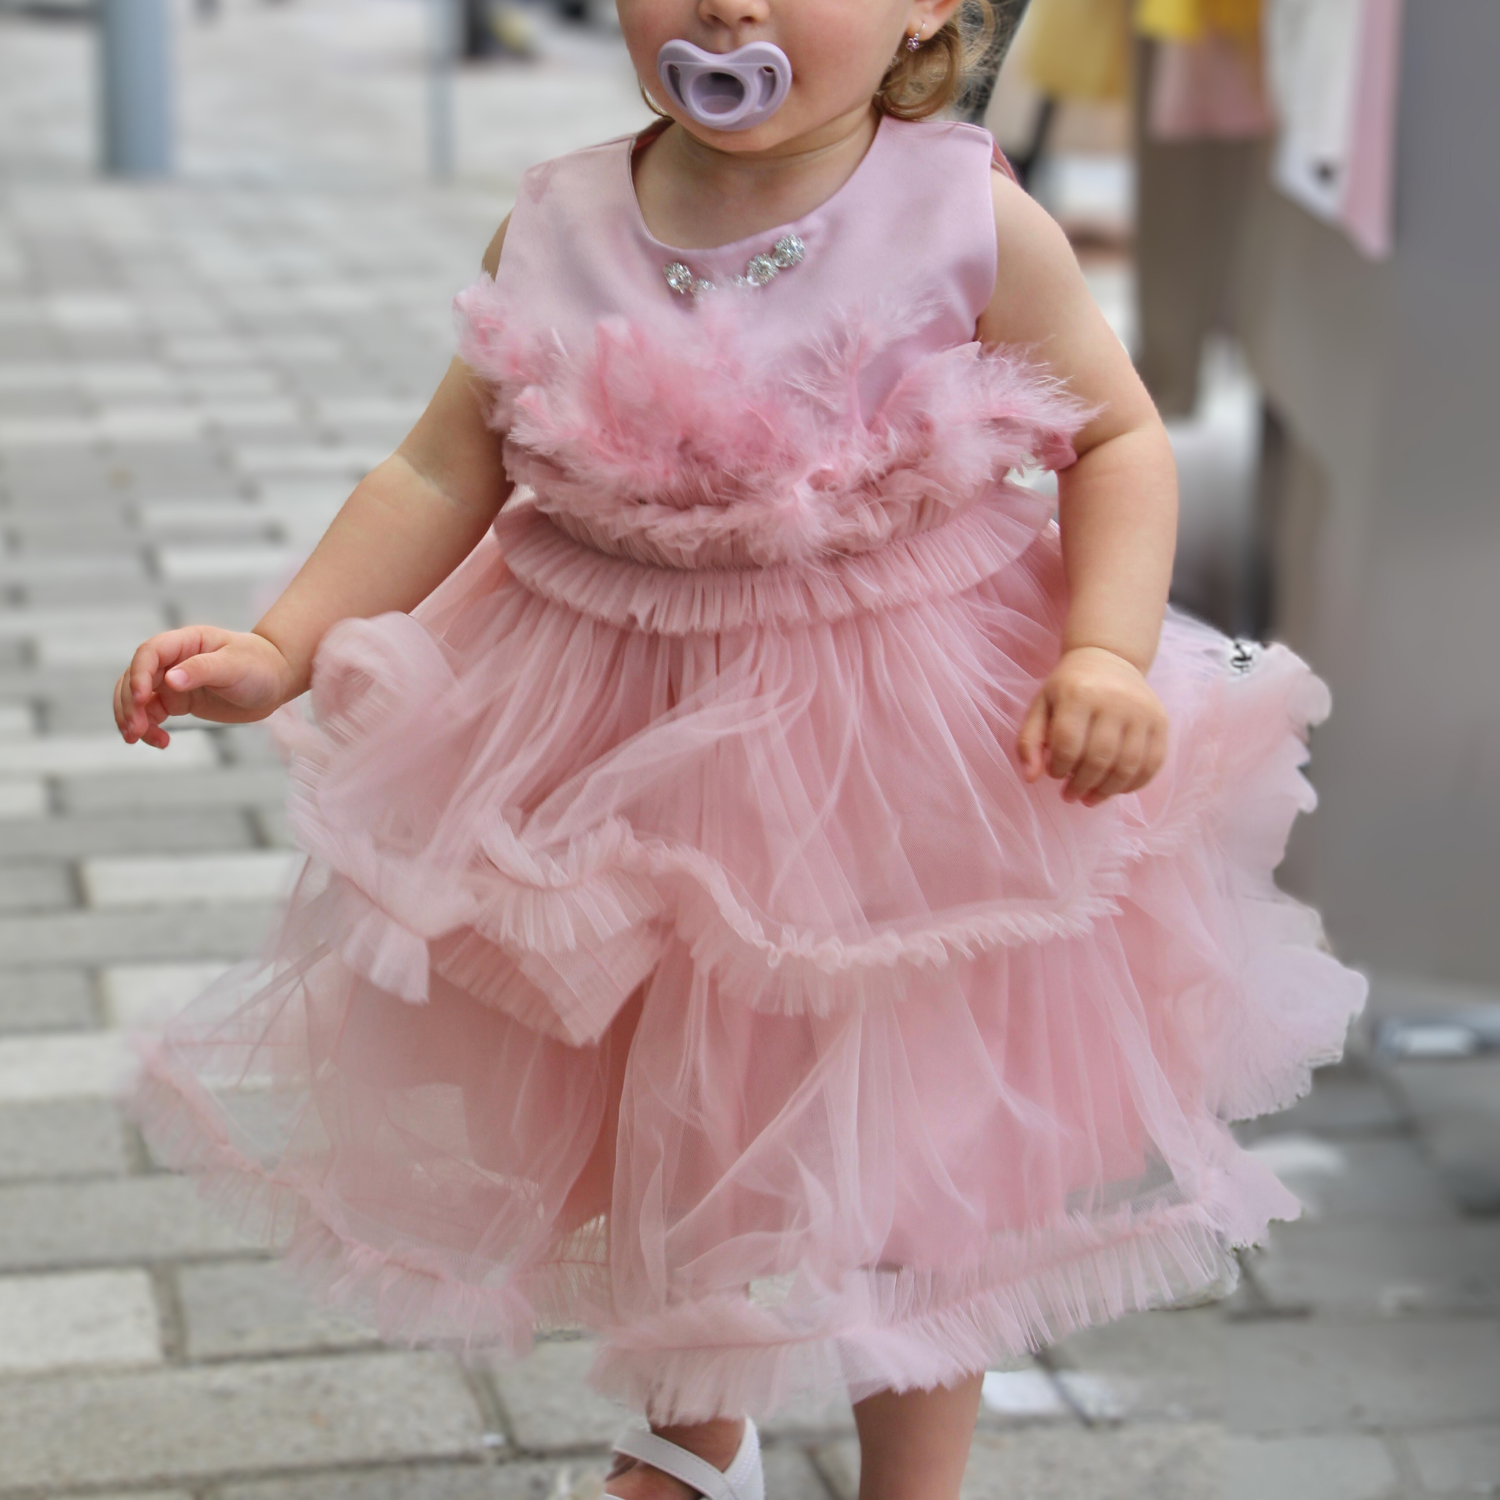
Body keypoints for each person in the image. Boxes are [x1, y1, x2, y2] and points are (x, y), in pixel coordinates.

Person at [112, 2, 1367, 1498]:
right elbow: (439, 462)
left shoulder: (966, 212)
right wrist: (280, 643)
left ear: (930, 9)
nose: (728, 7)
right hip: (612, 728)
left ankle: (918, 1469)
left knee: (916, 1142)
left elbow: (1115, 437)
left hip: (898, 746)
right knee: (668, 1097)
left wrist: (1101, 646)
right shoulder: (563, 214)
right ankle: (691, 1434)